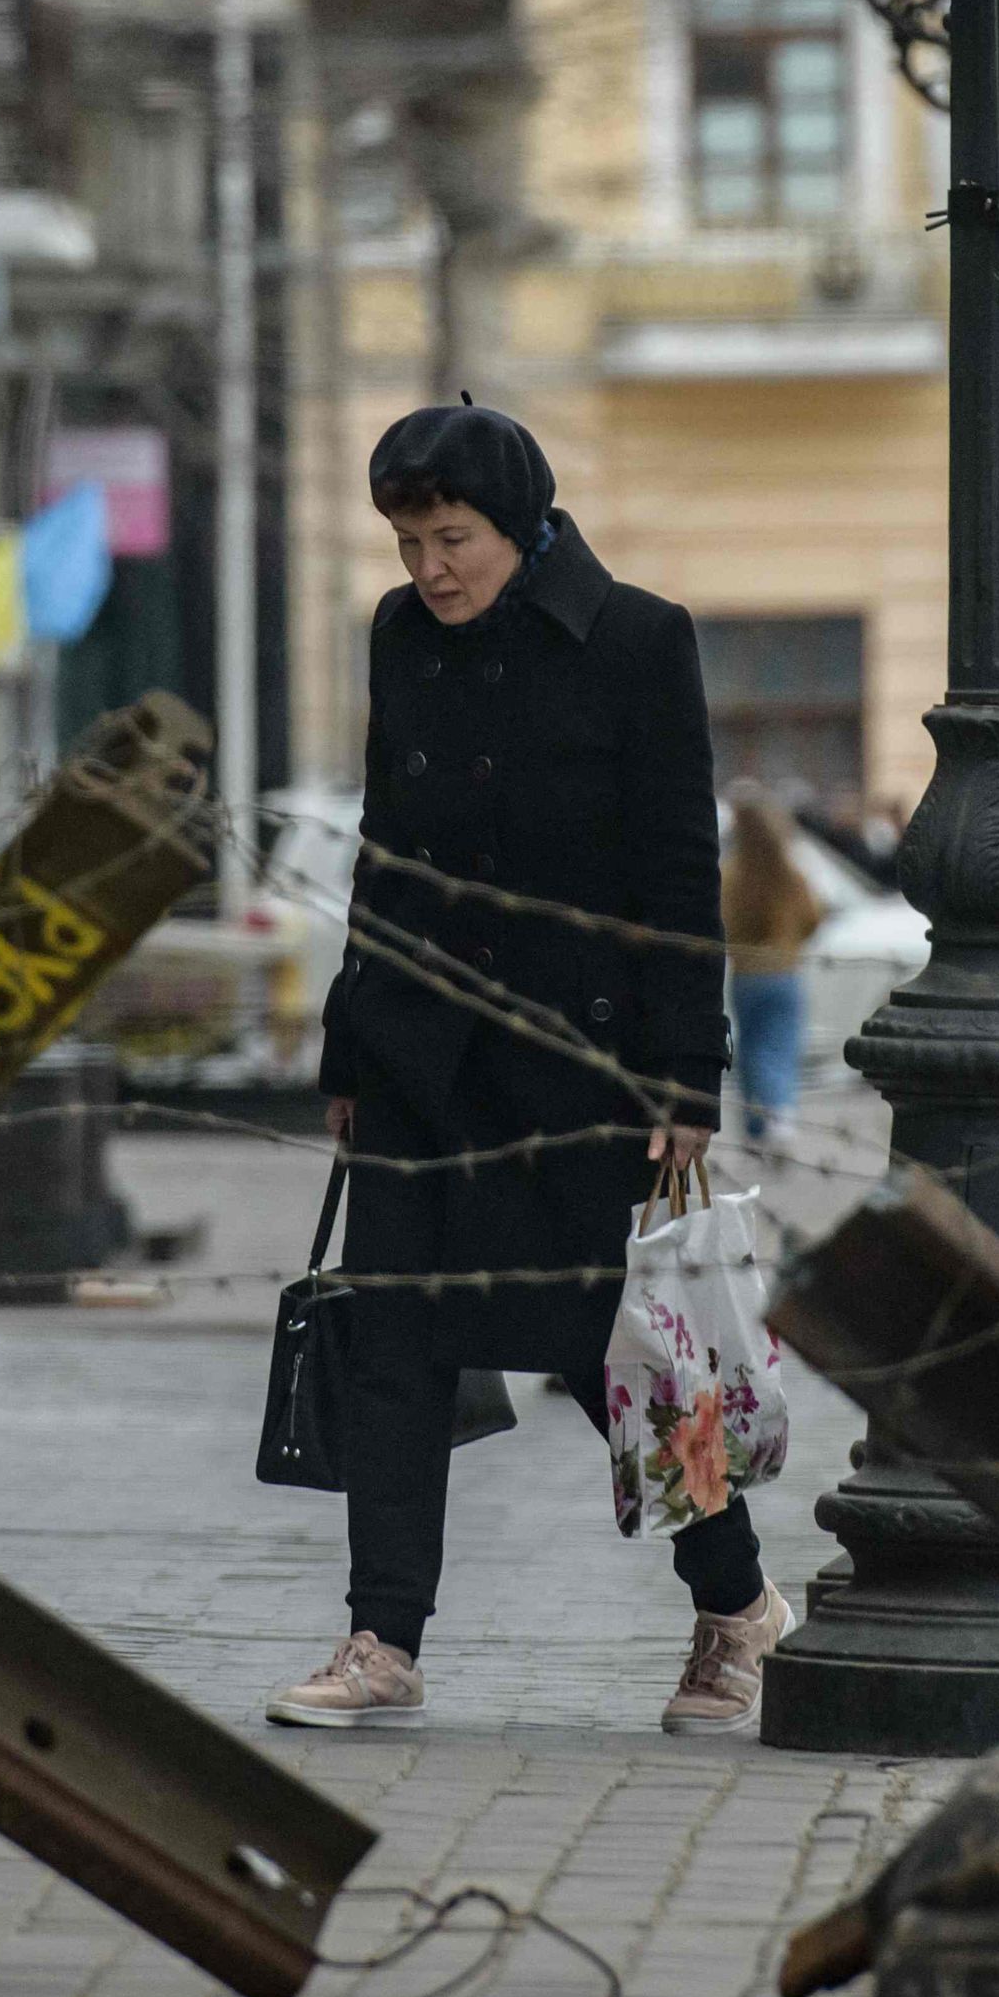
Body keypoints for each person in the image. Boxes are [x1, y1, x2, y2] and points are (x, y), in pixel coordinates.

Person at [269, 400, 788, 1738]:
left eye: (454, 538)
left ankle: (733, 1606)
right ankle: (383, 1635)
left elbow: (679, 867)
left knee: (610, 1355)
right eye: (407, 541)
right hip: (415, 1057)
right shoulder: (399, 637)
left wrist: (685, 1071)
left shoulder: (635, 639)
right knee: (394, 1344)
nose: (431, 568)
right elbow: (383, 841)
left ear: (523, 525)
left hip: (579, 1063)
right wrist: (347, 1035)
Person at [722, 790, 832, 1147]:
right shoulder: (789, 873)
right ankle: (780, 1113)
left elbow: (722, 924)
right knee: (780, 1046)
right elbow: (813, 917)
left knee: (752, 1049)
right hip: (784, 971)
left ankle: (758, 1122)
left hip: (747, 975)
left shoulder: (731, 875)